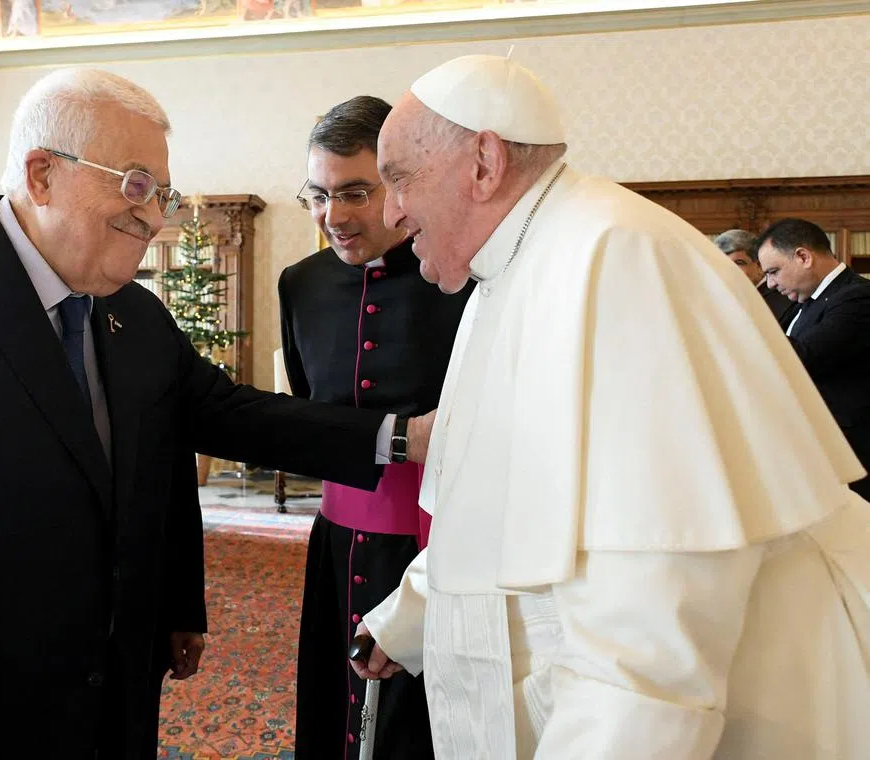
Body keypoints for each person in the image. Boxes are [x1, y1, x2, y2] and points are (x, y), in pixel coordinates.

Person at [0, 68, 431, 760]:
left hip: (105, 712)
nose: (155, 215)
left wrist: (404, 437)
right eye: (135, 184)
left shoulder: (132, 314)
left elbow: (231, 415)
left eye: (161, 193)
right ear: (41, 174)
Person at [349, 54, 870, 759]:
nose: (390, 212)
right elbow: (499, 503)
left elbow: (653, 626)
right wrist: (410, 617)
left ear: (484, 162)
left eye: (399, 179)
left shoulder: (617, 260)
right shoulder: (513, 270)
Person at [281, 95, 469, 760]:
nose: (333, 216)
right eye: (317, 195)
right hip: (337, 541)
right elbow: (308, 407)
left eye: (354, 192)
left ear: (399, 181)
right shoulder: (298, 284)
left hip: (440, 542)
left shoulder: (461, 278)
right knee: (336, 706)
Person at [756, 217, 870, 499]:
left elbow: (803, 358)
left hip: (853, 454)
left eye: (773, 271)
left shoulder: (858, 297)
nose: (770, 284)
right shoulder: (804, 303)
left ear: (803, 256)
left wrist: (740, 322)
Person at [714, 228, 795, 325]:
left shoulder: (783, 298)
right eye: (723, 264)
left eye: (738, 263)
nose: (729, 270)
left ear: (760, 266)